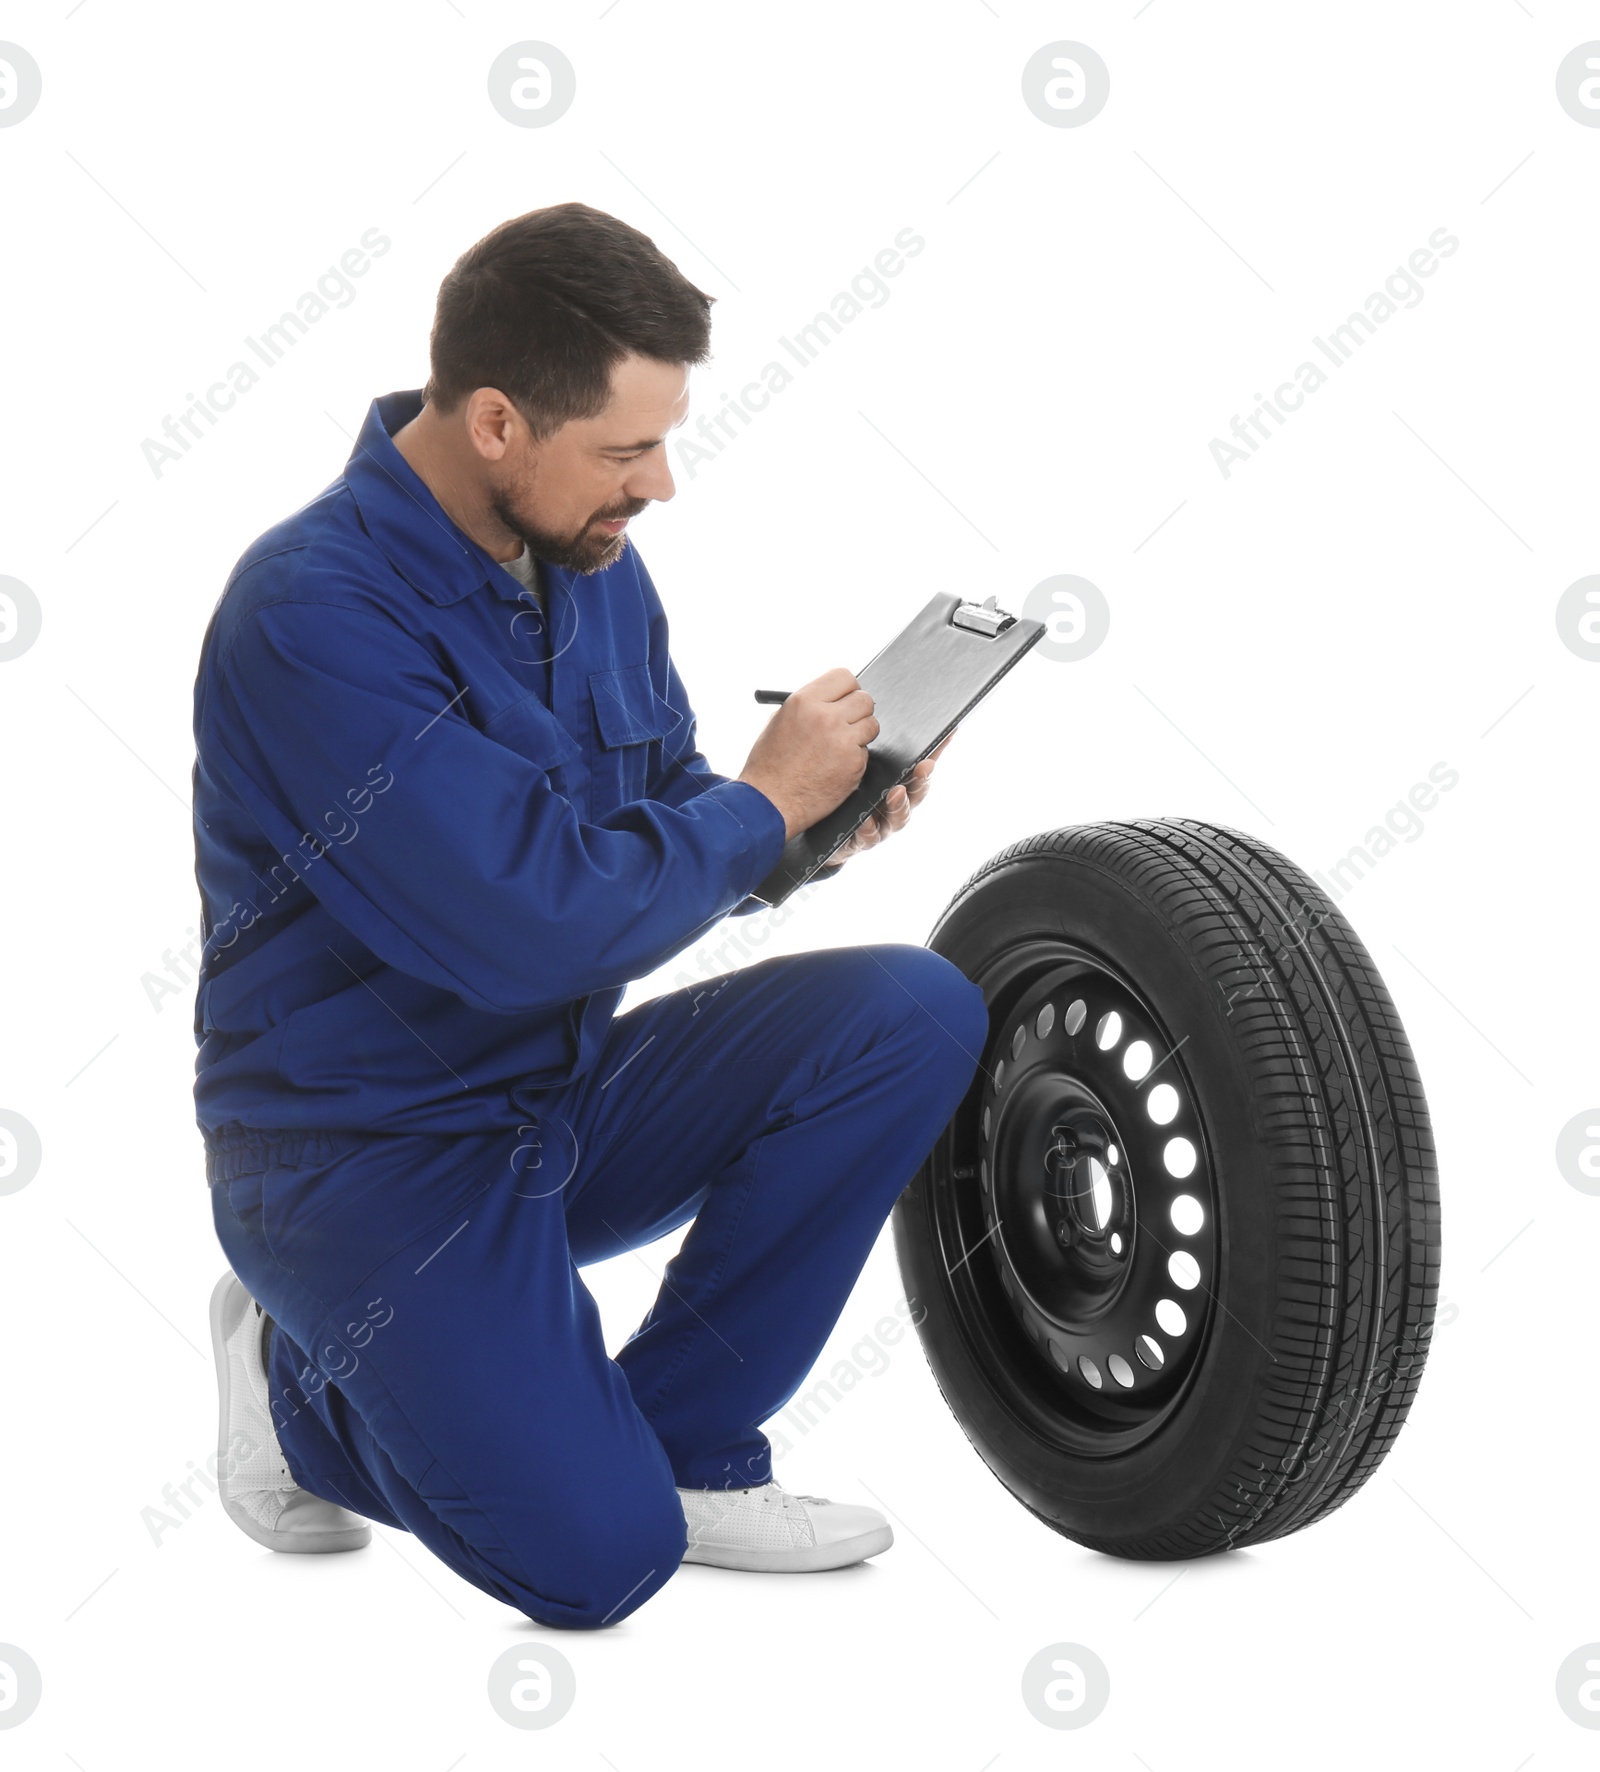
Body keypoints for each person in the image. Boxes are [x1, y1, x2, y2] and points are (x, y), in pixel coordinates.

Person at [193, 200, 989, 1630]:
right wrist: (758, 804)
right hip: (362, 1155)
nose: (662, 485)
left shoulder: (587, 567)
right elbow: (528, 921)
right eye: (629, 450)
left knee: (910, 1014)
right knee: (597, 1561)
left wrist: (812, 825)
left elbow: (661, 815)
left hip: (552, 1097)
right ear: (496, 422)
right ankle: (299, 1373)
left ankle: (680, 1443)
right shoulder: (312, 613)